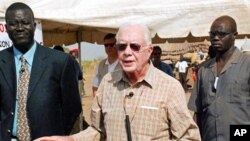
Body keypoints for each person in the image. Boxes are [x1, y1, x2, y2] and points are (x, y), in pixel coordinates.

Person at [35, 23, 201, 141]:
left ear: (149, 51)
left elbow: (188, 136)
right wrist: (69, 139)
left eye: (134, 46)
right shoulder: (107, 83)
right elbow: (97, 131)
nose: (127, 52)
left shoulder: (169, 87)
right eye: (121, 46)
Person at [0, 2, 82, 141]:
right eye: (13, 24)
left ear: (34, 26)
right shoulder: (1, 60)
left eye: (25, 23)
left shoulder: (60, 61)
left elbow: (72, 107)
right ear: (6, 28)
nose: (19, 28)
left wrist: (55, 134)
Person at [188, 15, 250, 141]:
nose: (216, 38)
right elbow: (198, 112)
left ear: (234, 35)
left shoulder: (247, 65)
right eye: (213, 34)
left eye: (221, 34)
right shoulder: (203, 70)